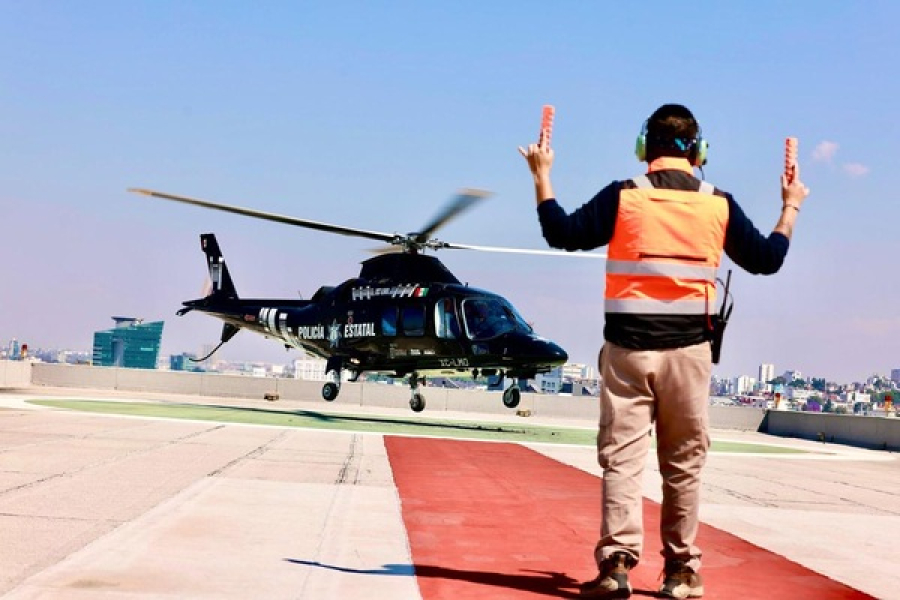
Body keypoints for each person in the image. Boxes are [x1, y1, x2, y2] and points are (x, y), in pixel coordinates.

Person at [518, 104, 809, 599]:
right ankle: (680, 572)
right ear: (699, 152)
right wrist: (791, 205)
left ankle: (615, 566)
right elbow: (766, 259)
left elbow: (561, 233)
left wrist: (542, 174)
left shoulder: (623, 196)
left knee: (622, 461)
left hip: (627, 353)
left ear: (642, 148)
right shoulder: (718, 204)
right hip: (688, 356)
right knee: (683, 465)